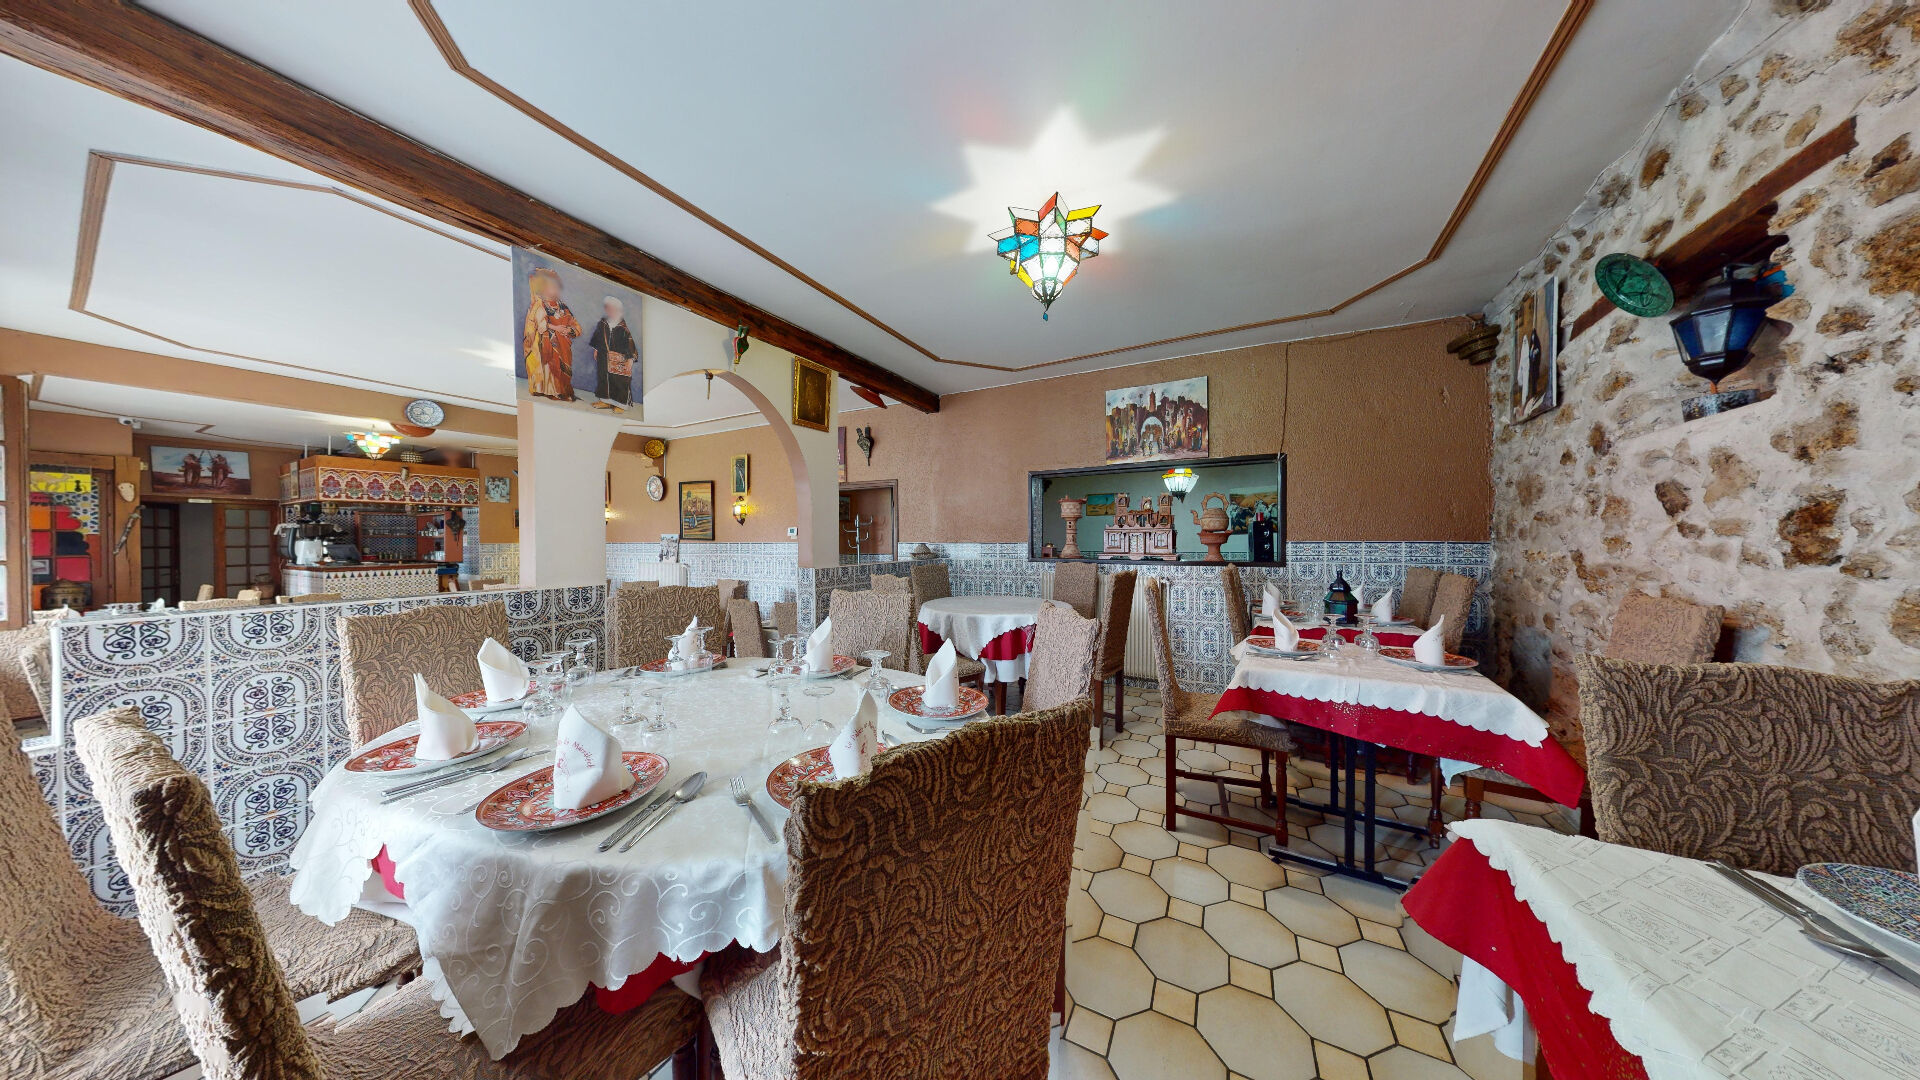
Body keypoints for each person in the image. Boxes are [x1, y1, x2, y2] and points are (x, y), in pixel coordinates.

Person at [522, 266, 580, 401]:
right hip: (545, 344)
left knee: (561, 367)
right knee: (548, 366)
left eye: (557, 286)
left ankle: (560, 390)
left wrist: (569, 330)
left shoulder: (563, 306)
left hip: (563, 344)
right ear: (543, 288)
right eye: (552, 286)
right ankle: (548, 390)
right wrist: (556, 328)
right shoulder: (539, 305)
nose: (556, 289)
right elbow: (540, 324)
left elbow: (575, 324)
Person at [587, 295, 638, 410]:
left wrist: (630, 359)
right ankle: (605, 401)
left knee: (619, 381)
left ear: (619, 310)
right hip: (603, 357)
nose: (610, 311)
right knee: (603, 378)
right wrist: (596, 349)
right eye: (608, 308)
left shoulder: (623, 328)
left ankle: (620, 404)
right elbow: (597, 337)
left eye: (613, 309)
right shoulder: (602, 323)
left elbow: (630, 344)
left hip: (620, 359)